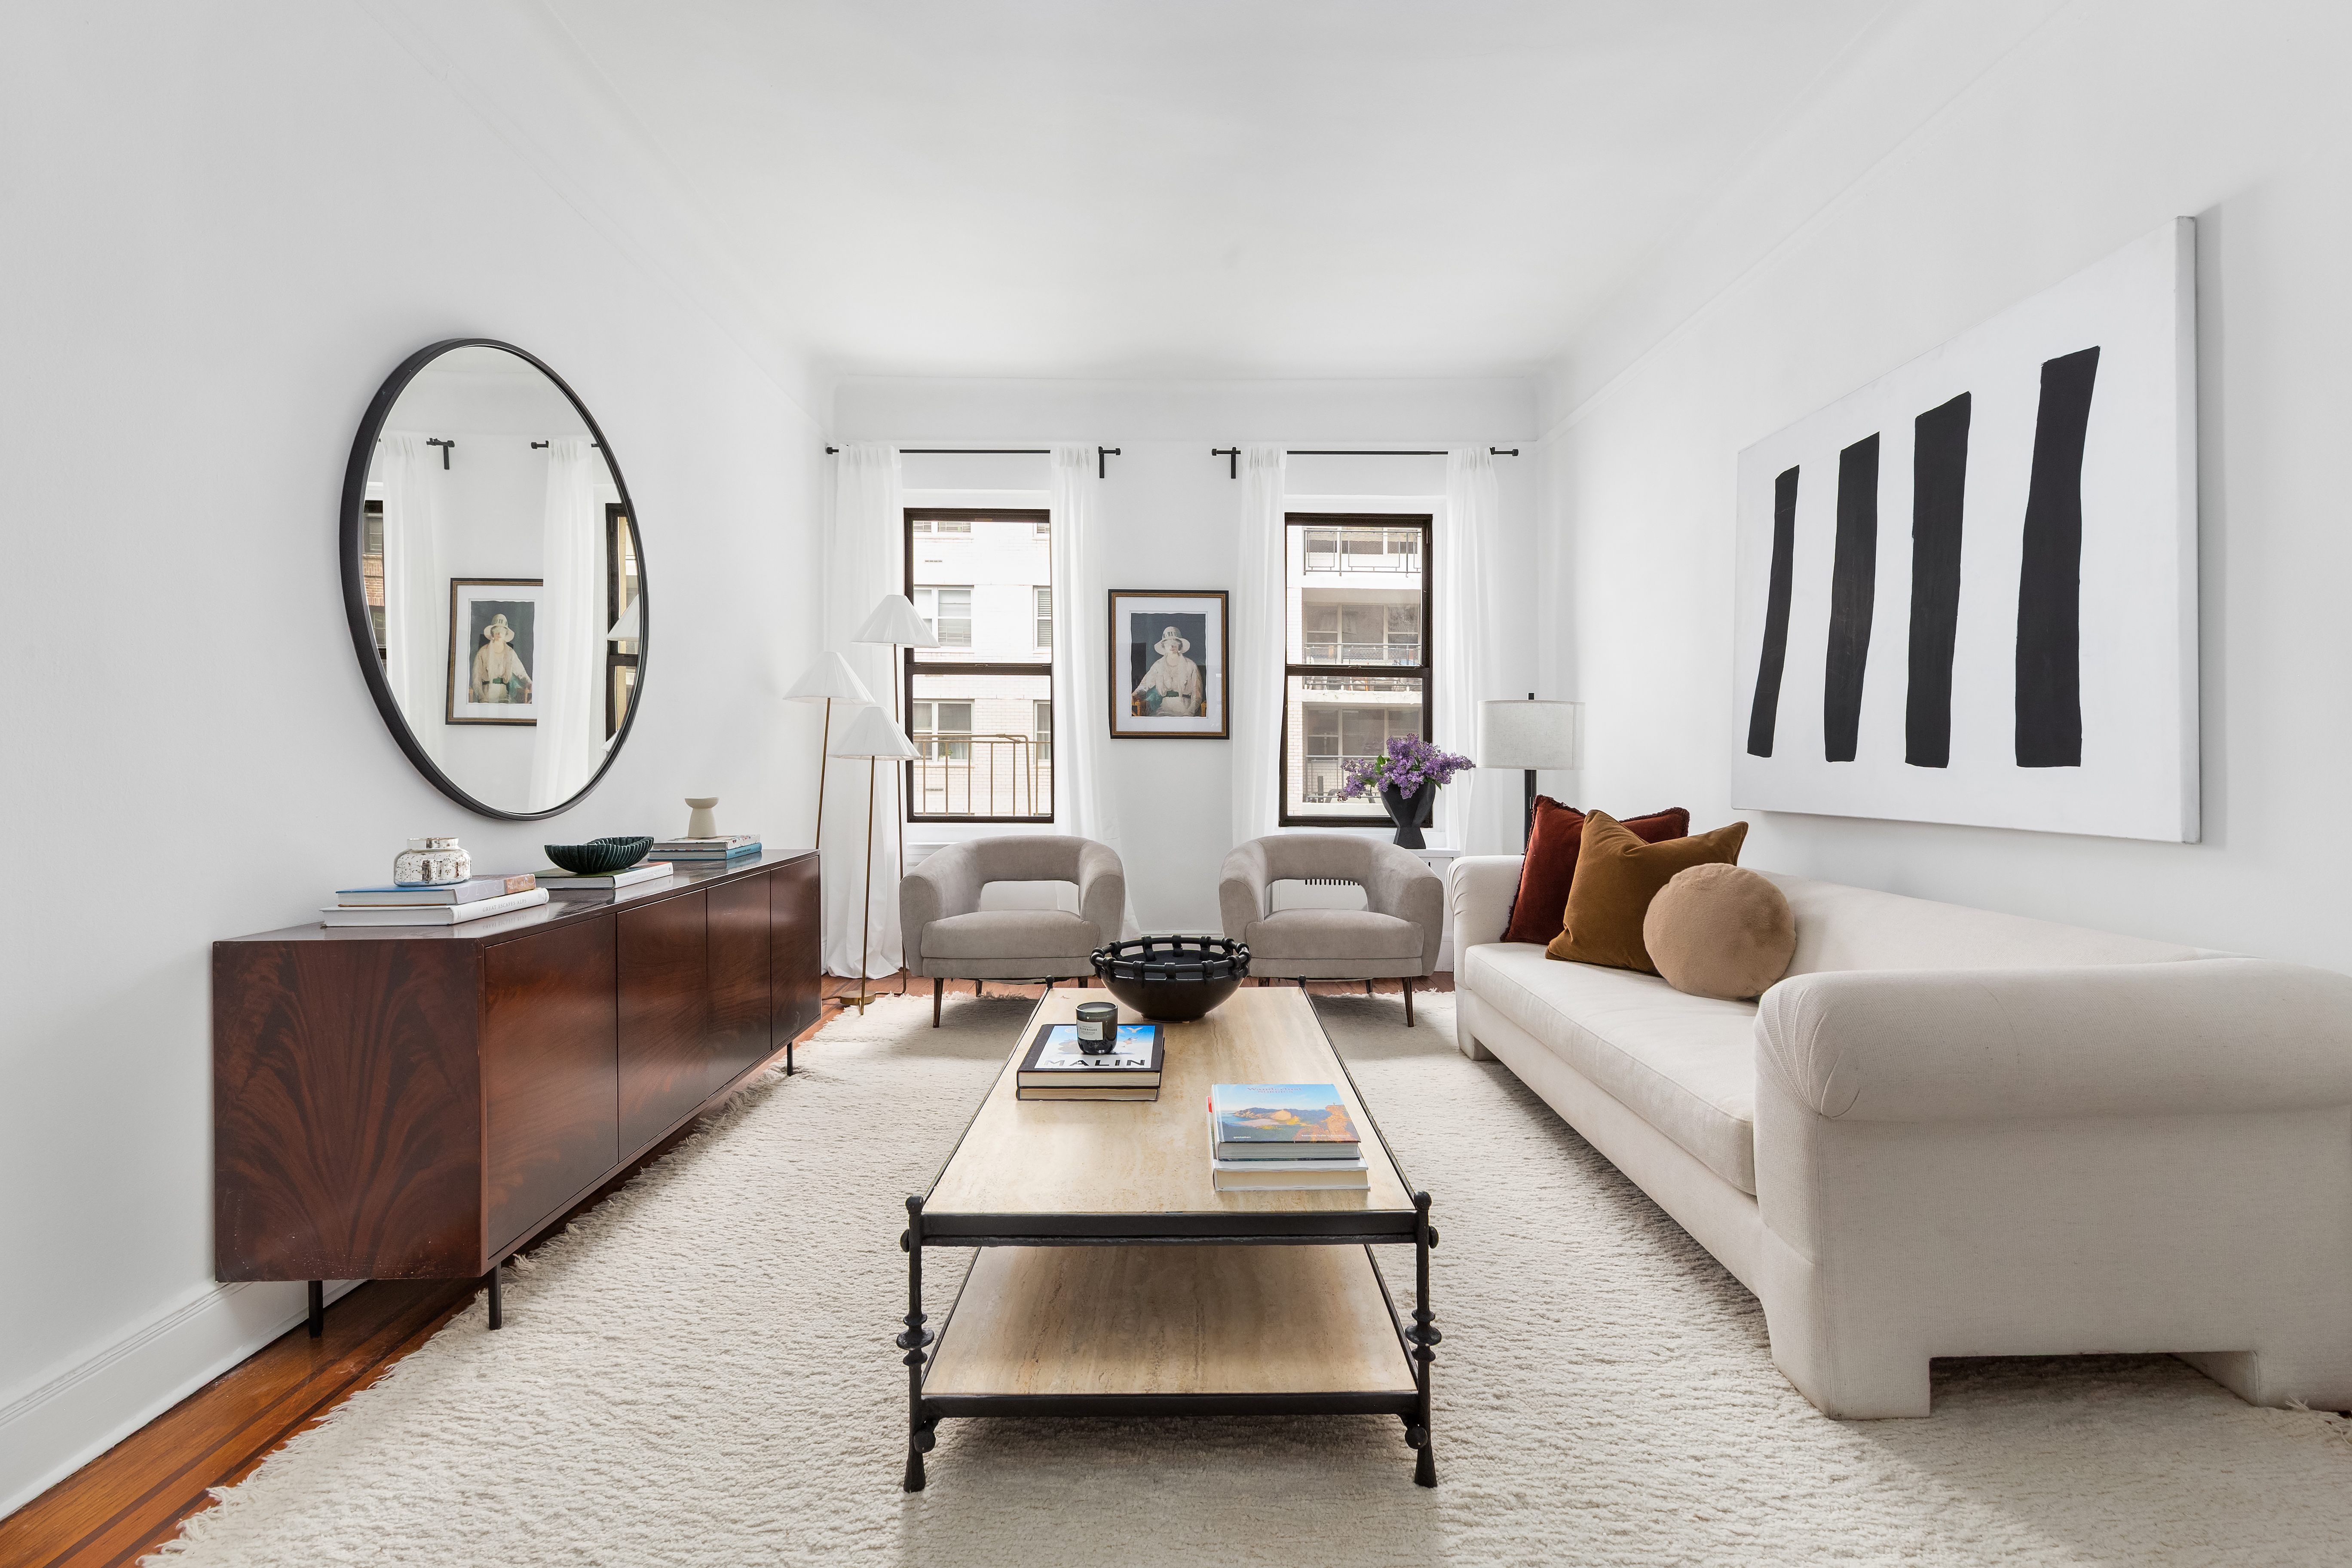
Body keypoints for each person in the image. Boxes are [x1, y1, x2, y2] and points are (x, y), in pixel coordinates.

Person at [1131, 625, 1201, 717]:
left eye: (1175, 643)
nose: (1171, 646)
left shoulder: (1191, 666)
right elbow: (1145, 685)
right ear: (1164, 646)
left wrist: (1190, 713)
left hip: (1185, 708)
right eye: (1168, 643)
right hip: (1164, 708)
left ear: (1179, 645)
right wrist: (1136, 694)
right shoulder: (1159, 665)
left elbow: (1197, 695)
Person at [471, 612, 532, 704]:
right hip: (486, 696)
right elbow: (476, 680)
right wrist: (483, 699)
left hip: (505, 697)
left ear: (506, 634)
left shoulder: (510, 653)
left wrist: (530, 683)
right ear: (492, 632)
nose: (499, 634)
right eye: (497, 631)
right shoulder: (483, 652)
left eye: (502, 631)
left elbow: (521, 673)